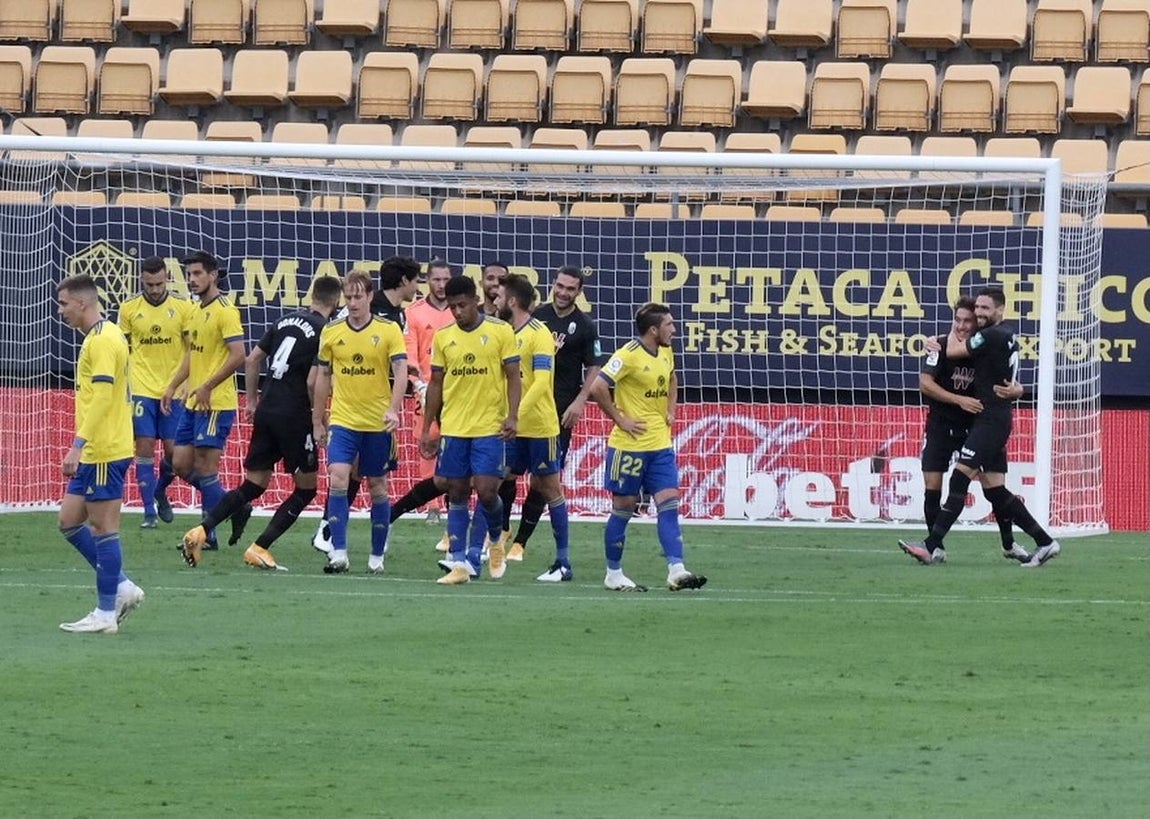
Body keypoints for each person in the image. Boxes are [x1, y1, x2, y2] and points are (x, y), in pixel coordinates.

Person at [181, 276, 343, 570]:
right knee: (306, 490)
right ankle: (260, 547)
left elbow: (253, 359)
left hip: (267, 409)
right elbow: (312, 381)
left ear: (312, 296)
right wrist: (318, 417)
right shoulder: (326, 330)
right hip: (295, 415)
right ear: (336, 302)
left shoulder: (284, 320)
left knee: (254, 484)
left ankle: (201, 530)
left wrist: (253, 401)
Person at [899, 287, 1061, 568]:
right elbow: (929, 380)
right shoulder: (1004, 335)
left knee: (960, 480)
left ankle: (932, 545)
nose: (972, 319)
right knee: (994, 490)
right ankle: (1041, 541)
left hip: (987, 421)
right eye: (962, 318)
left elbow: (954, 350)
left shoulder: (987, 337)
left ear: (998, 310)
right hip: (967, 421)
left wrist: (933, 343)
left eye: (981, 312)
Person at [588, 303, 706, 592]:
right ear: (654, 330)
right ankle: (613, 573)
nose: (674, 330)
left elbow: (673, 377)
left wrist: (671, 409)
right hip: (629, 448)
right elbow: (597, 387)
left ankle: (677, 570)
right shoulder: (627, 355)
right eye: (669, 324)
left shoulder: (666, 350)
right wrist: (620, 419)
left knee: (669, 504)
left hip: (660, 446)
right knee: (624, 508)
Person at [312, 256, 422, 554]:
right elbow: (321, 376)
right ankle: (334, 544)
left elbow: (399, 370)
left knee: (375, 483)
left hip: (377, 420)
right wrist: (318, 419)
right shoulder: (333, 331)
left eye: (358, 296)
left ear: (370, 296)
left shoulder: (389, 326)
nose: (353, 302)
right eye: (348, 297)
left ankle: (375, 550)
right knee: (338, 475)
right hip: (344, 418)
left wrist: (394, 409)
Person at [55, 274, 145, 634]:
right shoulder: (97, 337)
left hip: (104, 449)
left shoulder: (104, 341)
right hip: (96, 449)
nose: (60, 311)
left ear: (81, 302)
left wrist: (78, 444)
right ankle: (122, 586)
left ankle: (106, 613)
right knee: (68, 521)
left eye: (63, 304)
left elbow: (105, 397)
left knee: (103, 528)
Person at [421, 275, 521, 585]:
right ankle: (461, 562)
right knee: (457, 491)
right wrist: (428, 427)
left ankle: (495, 538)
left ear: (475, 300)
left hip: (489, 426)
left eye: (462, 305)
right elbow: (436, 384)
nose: (457, 312)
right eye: (452, 307)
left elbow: (514, 377)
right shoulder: (444, 337)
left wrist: (513, 416)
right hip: (454, 427)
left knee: (488, 491)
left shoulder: (500, 331)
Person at [505, 265, 607, 564]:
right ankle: (501, 530)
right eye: (560, 286)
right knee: (504, 474)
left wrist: (580, 401)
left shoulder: (585, 326)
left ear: (579, 291)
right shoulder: (537, 318)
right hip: (522, 409)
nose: (563, 292)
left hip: (557, 413)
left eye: (570, 288)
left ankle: (521, 542)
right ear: (553, 285)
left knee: (543, 482)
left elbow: (594, 366)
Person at [918, 297, 1029, 560]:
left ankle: (1009, 544)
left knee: (994, 486)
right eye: (958, 320)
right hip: (942, 424)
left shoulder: (984, 344)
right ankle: (937, 549)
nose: (962, 325)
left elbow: (1011, 380)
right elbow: (925, 384)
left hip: (978, 425)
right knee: (932, 485)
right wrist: (960, 400)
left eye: (968, 320)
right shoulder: (940, 345)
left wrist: (1018, 389)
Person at [488, 273, 572, 581]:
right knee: (491, 483)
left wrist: (515, 414)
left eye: (498, 297)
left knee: (550, 490)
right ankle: (488, 548)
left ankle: (563, 562)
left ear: (511, 301)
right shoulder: (501, 332)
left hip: (539, 427)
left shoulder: (539, 334)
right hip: (511, 426)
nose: (493, 301)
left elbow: (541, 382)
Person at [116, 256, 195, 528]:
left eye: (159, 283)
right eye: (149, 284)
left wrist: (187, 385)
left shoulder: (183, 308)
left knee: (175, 454)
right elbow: (123, 350)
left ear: (167, 279)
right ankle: (148, 512)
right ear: (141, 280)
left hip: (174, 391)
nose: (154, 289)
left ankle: (160, 490)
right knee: (144, 447)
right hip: (141, 388)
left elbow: (192, 352)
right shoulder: (128, 309)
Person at [400, 258, 456, 525]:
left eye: (446, 279)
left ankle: (454, 501)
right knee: (428, 444)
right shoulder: (414, 313)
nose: (442, 285)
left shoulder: (461, 310)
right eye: (437, 279)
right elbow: (409, 353)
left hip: (459, 390)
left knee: (455, 444)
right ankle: (432, 506)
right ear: (427, 280)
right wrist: (419, 383)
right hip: (426, 390)